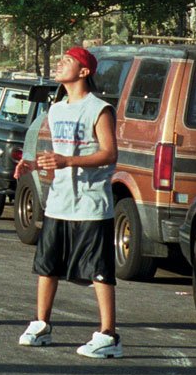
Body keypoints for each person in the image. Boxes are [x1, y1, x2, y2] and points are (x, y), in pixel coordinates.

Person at [22, 45, 122, 358]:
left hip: (92, 204)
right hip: (59, 202)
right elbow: (56, 156)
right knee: (46, 266)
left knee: (99, 271)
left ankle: (109, 335)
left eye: (67, 60)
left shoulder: (99, 108)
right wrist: (35, 165)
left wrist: (68, 161)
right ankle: (41, 325)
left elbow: (109, 153)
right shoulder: (56, 109)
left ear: (84, 71)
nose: (59, 63)